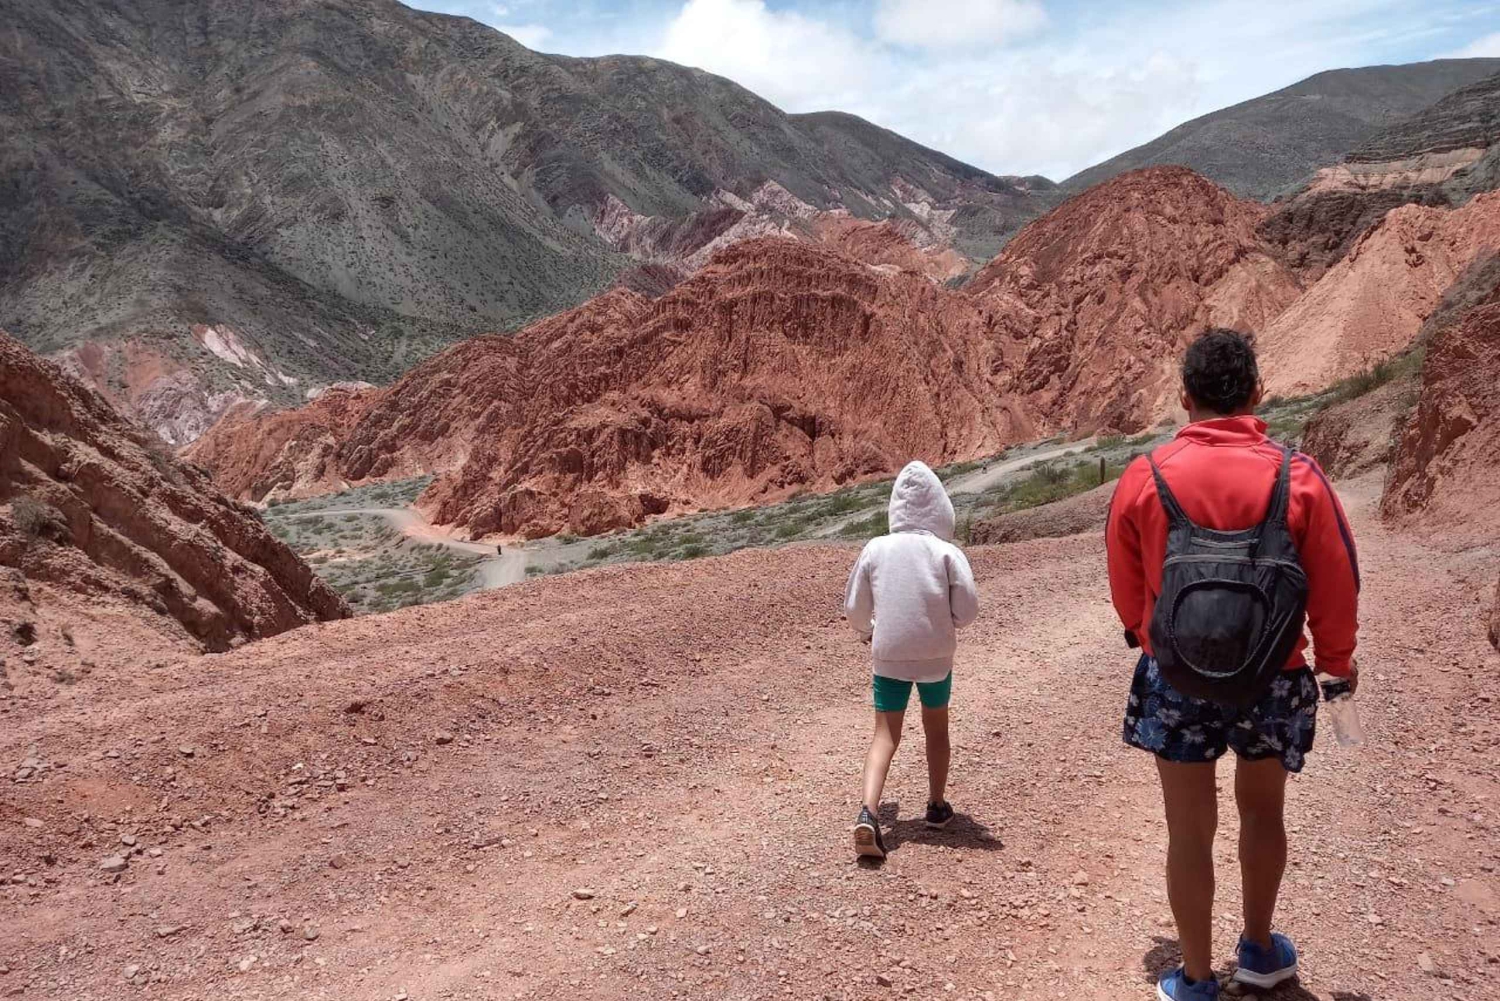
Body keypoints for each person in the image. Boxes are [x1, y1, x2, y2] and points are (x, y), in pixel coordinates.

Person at [1106, 329, 1360, 1000]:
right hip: (1274, 675)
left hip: (1176, 678)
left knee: (1188, 828)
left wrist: (1153, 639)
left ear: (1185, 398)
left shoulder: (1144, 475)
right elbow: (1336, 581)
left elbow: (1127, 591)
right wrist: (1336, 662)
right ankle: (1258, 950)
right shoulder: (1297, 475)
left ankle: (1193, 978)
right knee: (1262, 812)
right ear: (1257, 394)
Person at [844, 460, 979, 859]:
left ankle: (868, 813)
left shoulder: (875, 549)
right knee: (936, 729)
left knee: (884, 735)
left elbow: (854, 608)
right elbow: (968, 610)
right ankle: (937, 807)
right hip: (937, 655)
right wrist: (946, 622)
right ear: (939, 507)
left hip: (889, 655)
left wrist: (869, 629)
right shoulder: (946, 552)